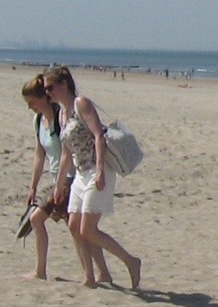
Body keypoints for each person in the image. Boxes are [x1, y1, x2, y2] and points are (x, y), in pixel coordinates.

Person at [44, 67, 143, 291]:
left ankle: (131, 261)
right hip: (80, 174)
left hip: (97, 170)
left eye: (50, 87)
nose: (48, 93)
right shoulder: (62, 113)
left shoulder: (81, 104)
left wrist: (99, 170)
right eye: (45, 89)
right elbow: (66, 152)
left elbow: (98, 135)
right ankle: (90, 276)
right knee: (73, 226)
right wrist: (58, 185)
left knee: (88, 229)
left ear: (64, 84)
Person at [20, 75, 109, 285]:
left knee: (42, 220)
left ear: (44, 98)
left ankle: (43, 271)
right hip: (58, 180)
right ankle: (101, 273)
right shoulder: (38, 121)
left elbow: (70, 150)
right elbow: (39, 155)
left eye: (32, 102)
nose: (30, 107)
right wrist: (33, 187)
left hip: (71, 179)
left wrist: (94, 172)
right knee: (80, 230)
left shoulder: (62, 118)